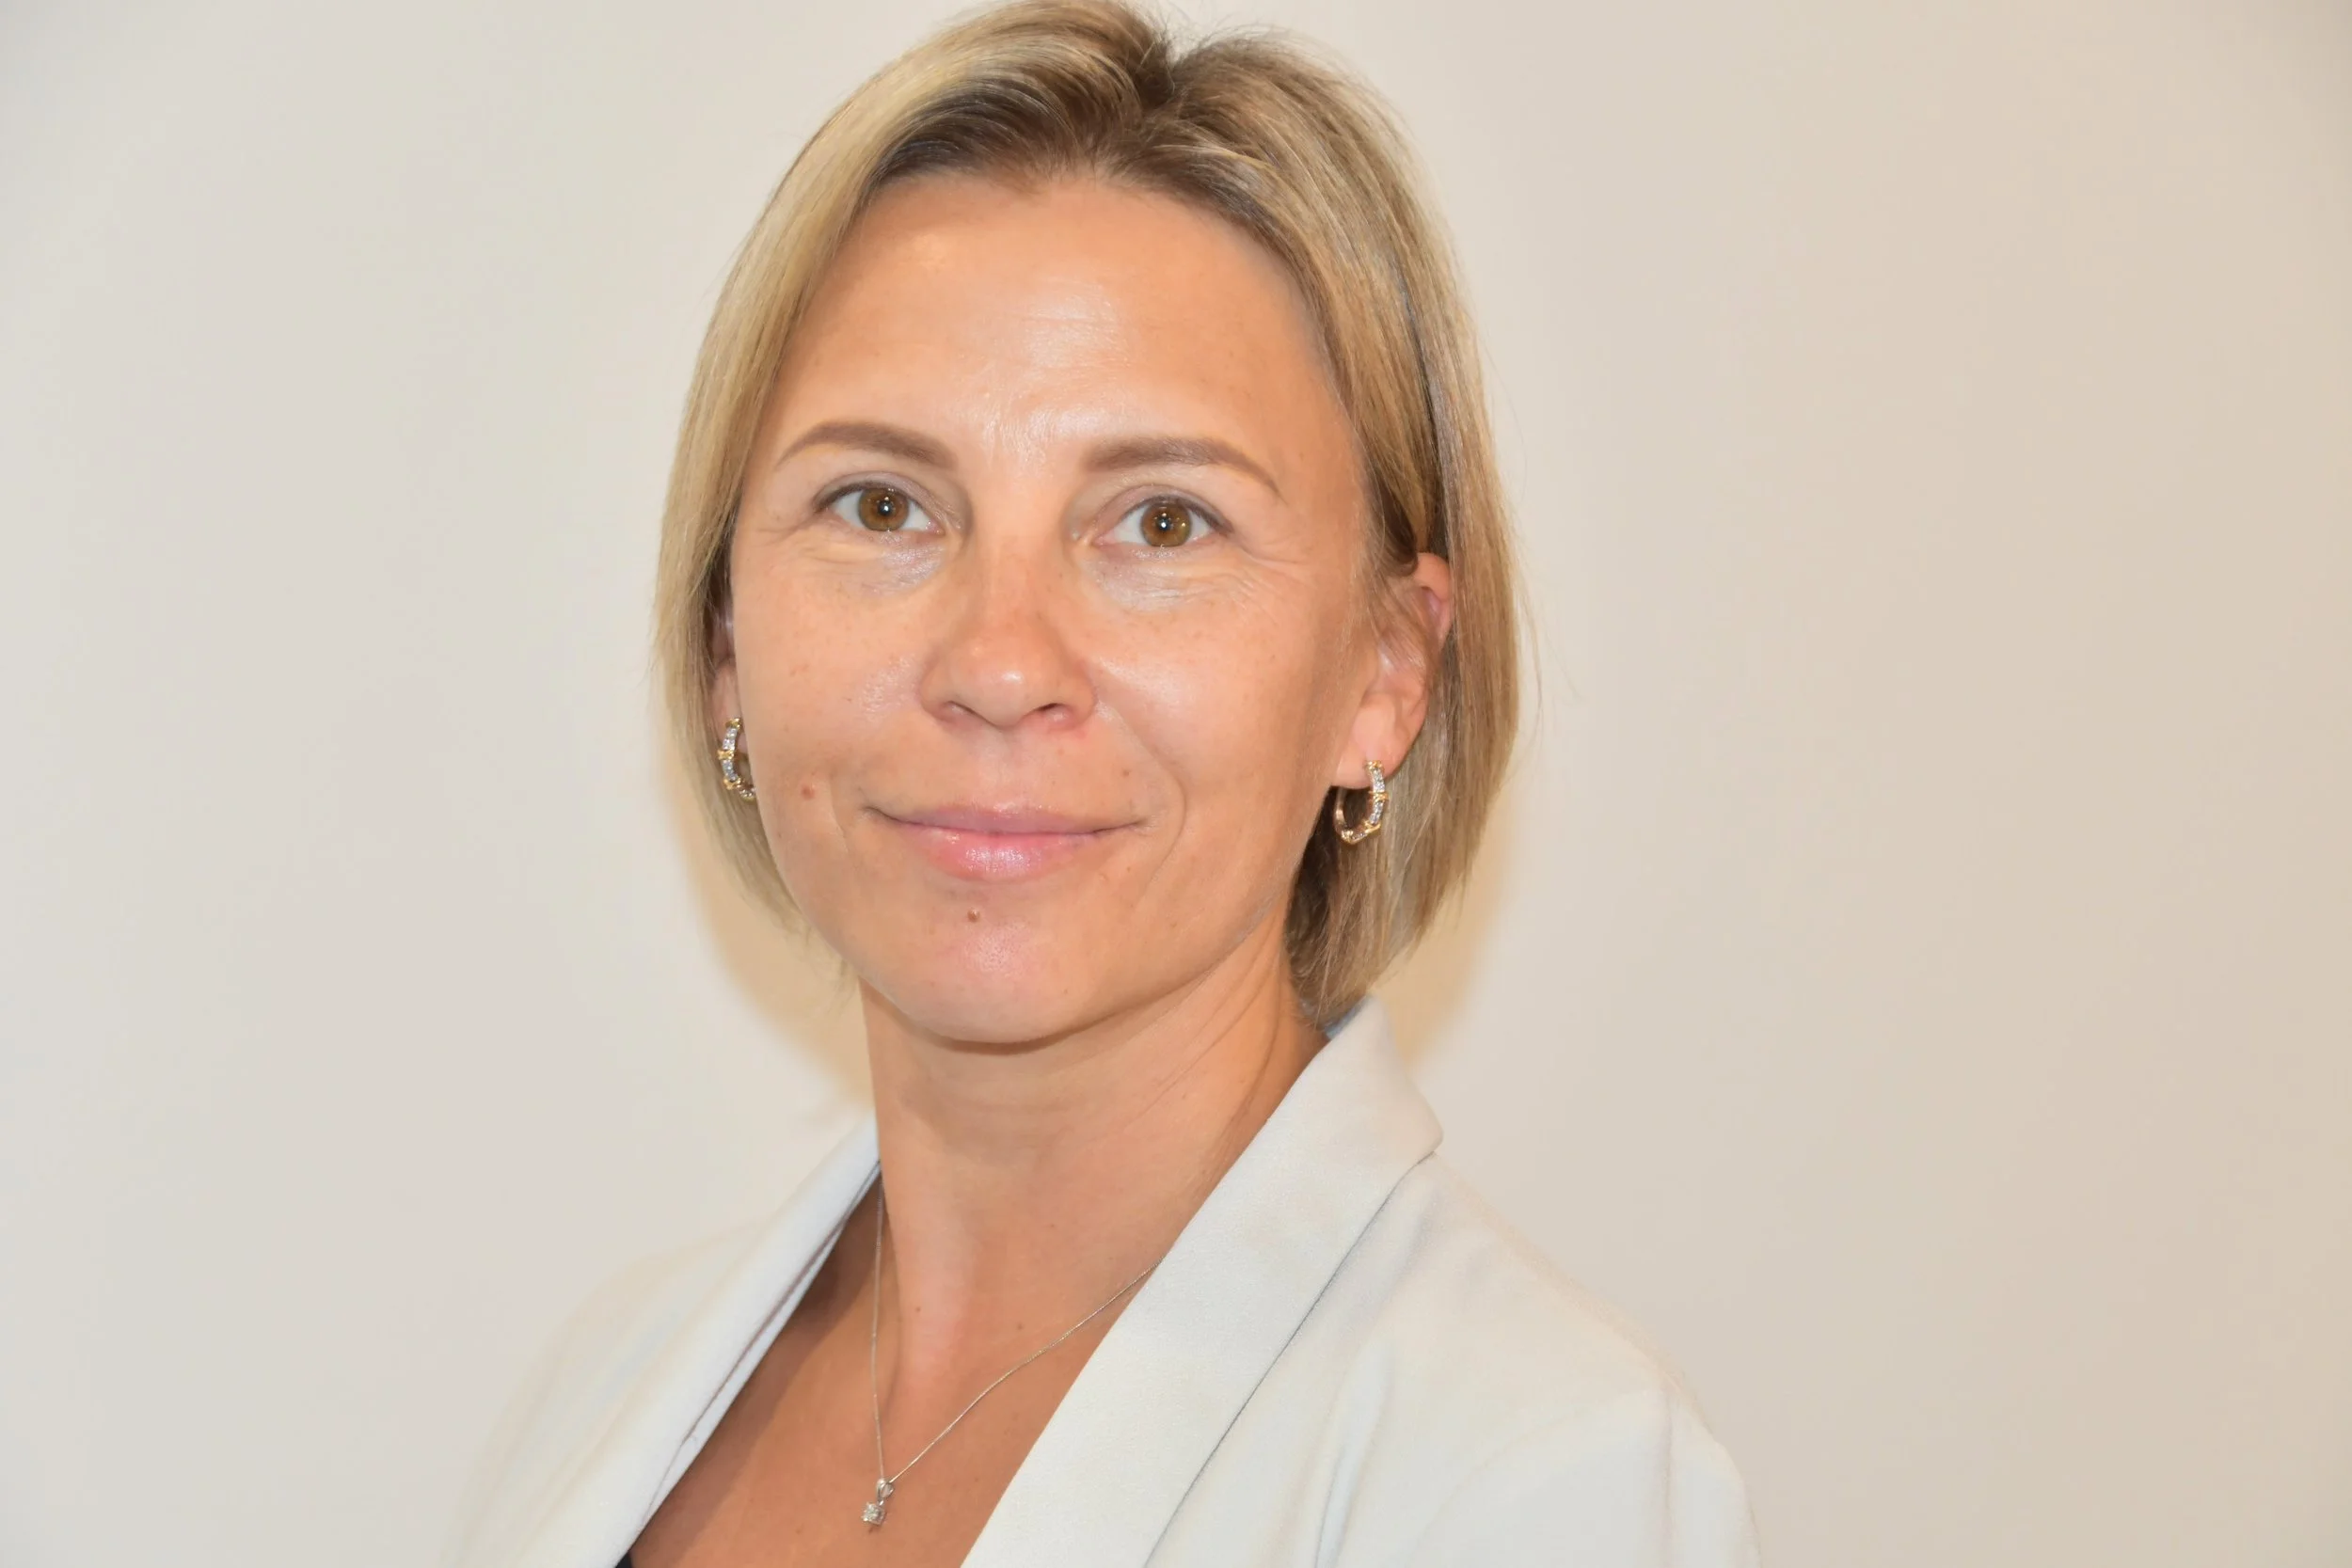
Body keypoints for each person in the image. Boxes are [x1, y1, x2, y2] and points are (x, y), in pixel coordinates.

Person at [445, 3, 1756, 1564]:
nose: (1000, 662)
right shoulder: (606, 1385)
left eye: (1164, 526)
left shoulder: (1536, 1480)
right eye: (882, 503)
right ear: (727, 642)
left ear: (1383, 677)